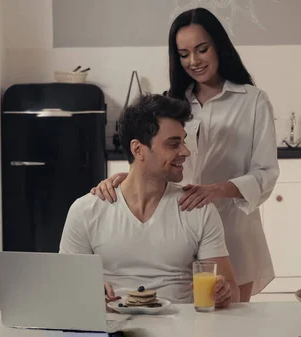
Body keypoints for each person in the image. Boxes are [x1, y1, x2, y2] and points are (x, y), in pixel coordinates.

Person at [91, 7, 280, 302]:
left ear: (219, 46)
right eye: (183, 54)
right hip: (176, 231)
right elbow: (154, 157)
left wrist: (216, 190)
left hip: (233, 232)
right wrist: (125, 179)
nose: (193, 61)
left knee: (231, 321)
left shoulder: (253, 101)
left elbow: (266, 173)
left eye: (202, 49)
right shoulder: (173, 102)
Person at [59, 93, 239, 308]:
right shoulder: (86, 210)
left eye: (183, 142)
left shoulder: (198, 208)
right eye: (173, 144)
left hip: (181, 326)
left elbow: (231, 291)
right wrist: (87, 292)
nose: (185, 151)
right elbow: (66, 289)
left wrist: (222, 293)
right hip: (113, 325)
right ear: (138, 149)